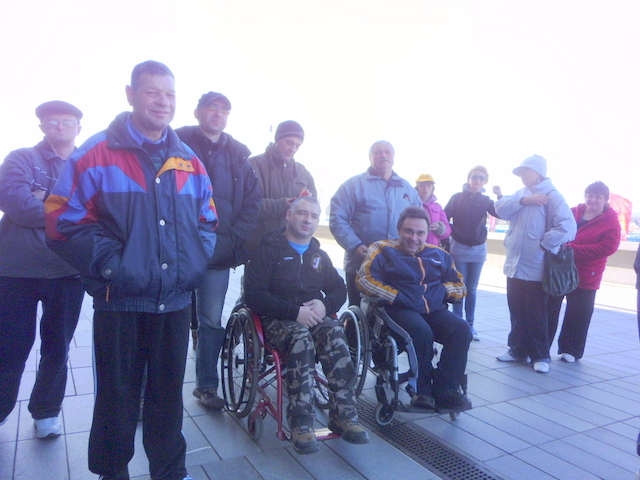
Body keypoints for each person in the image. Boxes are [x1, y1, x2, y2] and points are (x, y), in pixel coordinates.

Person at [45, 61, 217, 480]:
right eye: (152, 92)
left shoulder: (189, 161)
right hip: (119, 299)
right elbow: (61, 219)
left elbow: (208, 221)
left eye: (169, 94)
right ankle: (112, 471)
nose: (163, 102)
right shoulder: (96, 153)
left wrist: (192, 265)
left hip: (175, 301)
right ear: (130, 94)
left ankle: (170, 471)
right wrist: (112, 266)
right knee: (116, 398)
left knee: (167, 397)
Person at [244, 196, 370, 454]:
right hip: (275, 319)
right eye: (302, 213)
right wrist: (293, 312)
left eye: (314, 216)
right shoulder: (268, 250)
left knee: (335, 333)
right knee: (301, 338)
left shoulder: (318, 255)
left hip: (312, 316)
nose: (308, 220)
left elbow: (339, 289)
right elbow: (253, 296)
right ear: (289, 215)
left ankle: (344, 415)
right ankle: (301, 423)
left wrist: (325, 305)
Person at [0, 101, 85, 437]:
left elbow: (98, 210)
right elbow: (16, 205)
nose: (60, 126)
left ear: (79, 127)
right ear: (41, 127)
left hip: (68, 272)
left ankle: (46, 412)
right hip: (15, 271)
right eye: (52, 121)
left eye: (67, 121)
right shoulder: (21, 158)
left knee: (58, 347)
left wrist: (42, 199)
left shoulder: (87, 165)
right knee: (10, 346)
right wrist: (71, 211)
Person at [176, 92, 261, 409]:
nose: (218, 114)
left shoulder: (238, 156)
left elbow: (253, 202)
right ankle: (149, 392)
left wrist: (235, 239)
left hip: (218, 253)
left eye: (224, 110)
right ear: (197, 112)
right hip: (175, 251)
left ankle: (206, 387)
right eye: (212, 108)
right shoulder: (174, 144)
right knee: (166, 322)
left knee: (211, 321)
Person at [357, 206, 472, 411]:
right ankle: (420, 390)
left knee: (462, 330)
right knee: (421, 332)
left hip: (433, 309)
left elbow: (460, 286)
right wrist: (398, 296)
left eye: (420, 233)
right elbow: (365, 280)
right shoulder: (381, 249)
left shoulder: (440, 255)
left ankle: (445, 390)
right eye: (408, 231)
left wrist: (440, 292)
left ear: (427, 233)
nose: (414, 238)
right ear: (399, 230)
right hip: (398, 308)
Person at [494, 155, 576, 374]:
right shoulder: (521, 193)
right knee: (516, 310)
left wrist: (544, 243)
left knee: (537, 313)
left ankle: (540, 355)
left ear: (538, 172)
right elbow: (500, 209)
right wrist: (525, 201)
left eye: (525, 171)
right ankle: (517, 350)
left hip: (537, 268)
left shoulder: (552, 195)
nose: (521, 175)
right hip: (514, 265)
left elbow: (568, 226)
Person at [330, 140, 421, 306]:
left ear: (394, 158)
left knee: (396, 312)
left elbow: (420, 224)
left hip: (399, 266)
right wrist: (355, 245)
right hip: (361, 263)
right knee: (360, 312)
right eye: (378, 152)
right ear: (370, 157)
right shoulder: (353, 185)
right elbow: (337, 218)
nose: (383, 155)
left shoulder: (408, 189)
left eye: (388, 152)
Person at [547, 181, 621, 362]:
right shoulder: (572, 212)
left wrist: (572, 250)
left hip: (587, 274)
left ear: (606, 199)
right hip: (560, 270)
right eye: (590, 195)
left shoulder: (611, 221)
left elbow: (608, 247)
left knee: (579, 312)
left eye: (598, 197)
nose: (593, 199)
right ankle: (541, 347)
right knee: (549, 308)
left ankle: (571, 350)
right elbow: (554, 228)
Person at [444, 166, 500, 341]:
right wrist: (453, 231)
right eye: (474, 177)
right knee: (459, 288)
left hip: (478, 250)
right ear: (468, 179)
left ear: (485, 181)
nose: (477, 180)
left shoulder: (486, 200)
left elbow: (501, 213)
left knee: (472, 289)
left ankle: (470, 326)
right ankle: (458, 325)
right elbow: (444, 217)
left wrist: (500, 196)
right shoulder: (457, 198)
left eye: (481, 178)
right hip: (459, 248)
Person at [246, 120, 315, 251]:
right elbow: (247, 206)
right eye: (289, 142)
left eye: (297, 145)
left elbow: (314, 210)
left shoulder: (304, 173)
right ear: (277, 139)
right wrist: (284, 205)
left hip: (291, 247)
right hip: (257, 245)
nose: (293, 149)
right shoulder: (252, 165)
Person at [415, 173, 451, 247]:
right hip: (414, 248)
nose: (425, 188)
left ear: (433, 188)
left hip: (433, 249)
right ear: (417, 187)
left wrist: (439, 228)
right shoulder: (410, 204)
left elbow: (448, 231)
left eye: (429, 185)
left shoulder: (438, 207)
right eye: (422, 185)